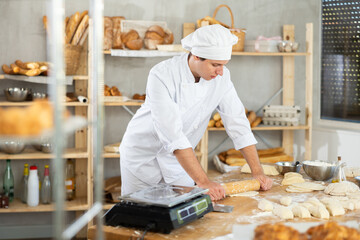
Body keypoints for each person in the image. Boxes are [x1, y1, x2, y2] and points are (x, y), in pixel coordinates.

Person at [120, 24, 273, 201]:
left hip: (180, 163)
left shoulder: (222, 77)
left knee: (183, 216)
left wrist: (257, 172)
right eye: (215, 64)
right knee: (138, 214)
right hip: (143, 157)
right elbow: (172, 135)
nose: (220, 71)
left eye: (224, 65)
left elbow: (238, 123)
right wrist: (204, 181)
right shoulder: (162, 75)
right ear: (196, 56)